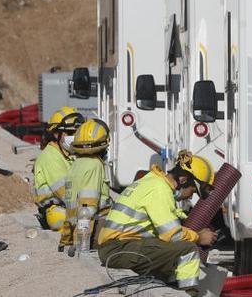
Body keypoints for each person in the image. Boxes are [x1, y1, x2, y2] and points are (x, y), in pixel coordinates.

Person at [97, 151, 216, 296]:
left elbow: (167, 214)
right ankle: (188, 293)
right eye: (193, 190)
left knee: (168, 253)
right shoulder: (160, 190)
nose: (191, 196)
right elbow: (173, 235)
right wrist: (198, 237)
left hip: (116, 247)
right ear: (183, 180)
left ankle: (169, 285)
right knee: (187, 250)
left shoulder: (152, 181)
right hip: (118, 249)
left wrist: (186, 219)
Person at [60, 119, 112, 254]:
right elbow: (86, 209)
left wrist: (66, 239)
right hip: (96, 230)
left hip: (75, 228)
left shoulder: (76, 165)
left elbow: (70, 210)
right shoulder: (94, 165)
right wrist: (81, 245)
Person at [32, 107, 82, 231]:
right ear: (56, 133)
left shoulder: (69, 155)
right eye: (70, 133)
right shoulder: (50, 157)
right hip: (57, 211)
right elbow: (67, 194)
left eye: (77, 132)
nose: (75, 136)